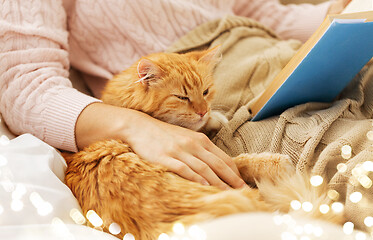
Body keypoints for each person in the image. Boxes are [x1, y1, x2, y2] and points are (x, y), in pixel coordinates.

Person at [0, 0, 351, 190]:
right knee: (349, 160)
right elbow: (25, 82)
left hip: (276, 54)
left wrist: (340, 13)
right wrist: (139, 128)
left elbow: (257, 13)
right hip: (203, 85)